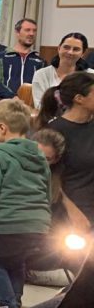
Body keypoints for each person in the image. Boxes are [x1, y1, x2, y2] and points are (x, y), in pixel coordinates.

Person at [0, 99, 51, 308]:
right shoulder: (39, 154)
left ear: (2, 128)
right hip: (38, 222)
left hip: (9, 221)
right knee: (16, 261)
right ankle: (16, 301)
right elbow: (47, 188)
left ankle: (8, 307)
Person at [38, 72, 94, 225]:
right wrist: (72, 211)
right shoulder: (54, 131)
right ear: (79, 99)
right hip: (69, 213)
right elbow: (47, 177)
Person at [30, 32, 91, 106]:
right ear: (59, 48)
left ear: (83, 53)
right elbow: (40, 106)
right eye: (66, 47)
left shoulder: (91, 75)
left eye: (76, 49)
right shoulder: (41, 74)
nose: (70, 52)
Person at [0, 17, 46, 93]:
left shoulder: (41, 62)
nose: (32, 34)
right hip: (6, 99)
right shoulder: (0, 58)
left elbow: (43, 86)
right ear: (17, 32)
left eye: (34, 30)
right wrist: (12, 97)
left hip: (31, 99)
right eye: (27, 30)